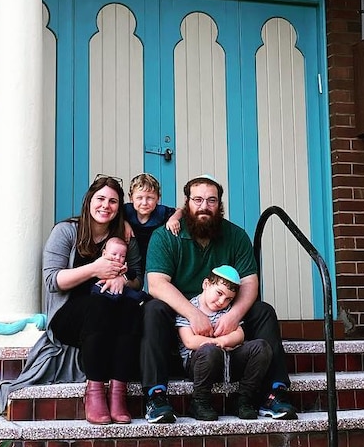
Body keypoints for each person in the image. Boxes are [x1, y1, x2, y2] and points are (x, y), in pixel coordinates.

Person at [141, 174, 298, 423]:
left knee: (263, 311)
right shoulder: (166, 236)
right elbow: (156, 283)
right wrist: (194, 314)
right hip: (181, 321)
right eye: (198, 199)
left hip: (225, 315)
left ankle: (274, 393)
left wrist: (234, 316)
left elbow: (249, 283)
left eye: (211, 200)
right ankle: (156, 395)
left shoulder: (235, 236)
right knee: (153, 309)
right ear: (187, 204)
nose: (204, 206)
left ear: (220, 204)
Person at [0, 175, 143, 425]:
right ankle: (94, 391)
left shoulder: (124, 237)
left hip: (111, 315)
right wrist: (95, 269)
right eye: (101, 199)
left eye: (113, 201)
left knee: (130, 306)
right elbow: (53, 281)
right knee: (99, 305)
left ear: (120, 207)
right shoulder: (66, 231)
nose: (106, 206)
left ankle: (118, 393)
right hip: (69, 316)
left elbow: (137, 279)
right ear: (88, 201)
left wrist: (123, 280)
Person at [175, 265, 270, 421]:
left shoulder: (227, 311)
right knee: (210, 350)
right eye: (219, 293)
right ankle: (200, 401)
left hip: (227, 360)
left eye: (228, 299)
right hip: (200, 364)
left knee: (261, 348)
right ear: (206, 285)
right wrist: (215, 343)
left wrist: (223, 340)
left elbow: (239, 334)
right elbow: (190, 341)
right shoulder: (189, 308)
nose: (221, 301)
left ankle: (243, 399)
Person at [123, 173, 182, 271]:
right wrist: (124, 222)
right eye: (139, 198)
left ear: (158, 198)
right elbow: (113, 214)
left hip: (154, 256)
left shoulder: (161, 212)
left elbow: (180, 211)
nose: (144, 203)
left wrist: (173, 219)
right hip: (131, 258)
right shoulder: (126, 211)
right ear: (131, 197)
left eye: (150, 198)